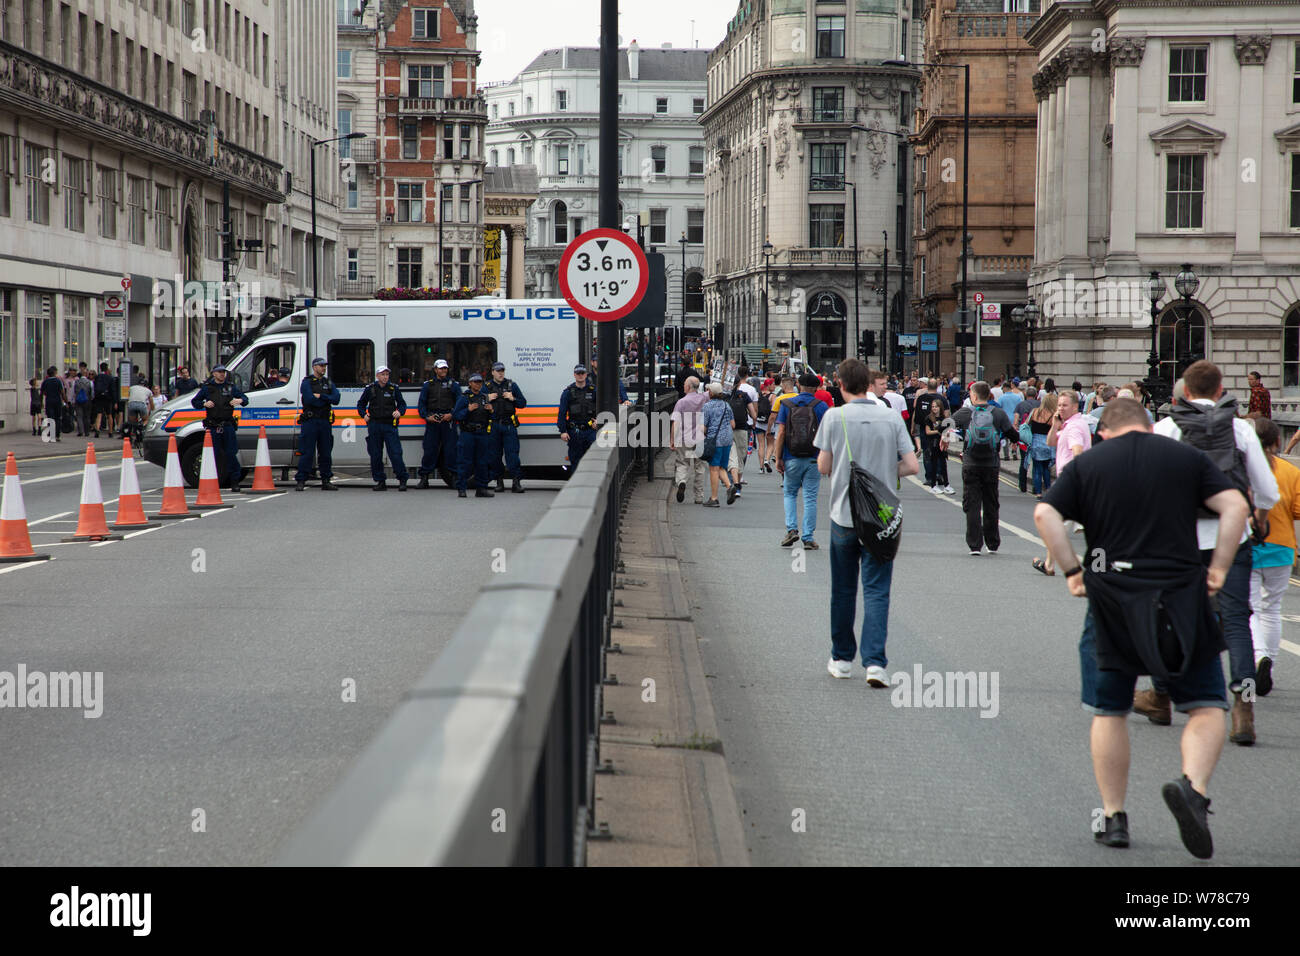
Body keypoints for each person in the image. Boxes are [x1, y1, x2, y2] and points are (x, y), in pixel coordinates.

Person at [1035, 397, 1247, 857]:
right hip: (1180, 594)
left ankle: (1114, 818)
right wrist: (1220, 567)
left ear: (1105, 431)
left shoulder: (1090, 464)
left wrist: (1073, 571)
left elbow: (1045, 514)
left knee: (1109, 711)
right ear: (1149, 427)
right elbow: (1235, 505)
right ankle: (1193, 788)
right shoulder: (1185, 457)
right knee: (1207, 706)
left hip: (1112, 596)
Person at [1141, 360, 1279, 744]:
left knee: (1165, 616)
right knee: (1236, 621)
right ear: (1221, 391)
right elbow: (1267, 490)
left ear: (1185, 391)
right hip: (1230, 538)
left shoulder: (1167, 428)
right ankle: (1244, 706)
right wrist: (1259, 520)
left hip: (1177, 541)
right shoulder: (1240, 429)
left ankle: (1161, 695)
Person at [815, 358, 919, 685]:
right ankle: (875, 664)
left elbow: (823, 466)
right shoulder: (890, 417)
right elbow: (912, 465)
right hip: (880, 519)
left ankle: (842, 659)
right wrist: (886, 474)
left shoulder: (834, 416)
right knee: (877, 591)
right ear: (870, 384)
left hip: (844, 516)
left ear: (841, 385)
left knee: (844, 590)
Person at [1249, 417, 1297, 699]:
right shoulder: (1290, 471)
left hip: (1251, 545)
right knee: (1272, 608)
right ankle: (1270, 664)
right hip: (1282, 546)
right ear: (1277, 442)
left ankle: (1258, 657)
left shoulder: (1243, 469)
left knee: (1250, 606)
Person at [951, 382, 1019, 554]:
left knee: (972, 503)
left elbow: (946, 424)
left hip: (971, 463)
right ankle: (992, 543)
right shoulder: (998, 413)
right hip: (991, 464)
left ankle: (975, 544)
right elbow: (1013, 434)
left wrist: (948, 436)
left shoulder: (966, 412)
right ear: (989, 395)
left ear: (973, 396)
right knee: (991, 503)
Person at [773, 372, 829, 546]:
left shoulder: (787, 403)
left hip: (791, 456)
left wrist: (778, 457)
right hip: (814, 457)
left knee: (790, 493)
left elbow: (781, 432)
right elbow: (827, 435)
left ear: (799, 385)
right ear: (816, 388)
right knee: (810, 497)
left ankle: (791, 530)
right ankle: (808, 537)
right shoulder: (821, 406)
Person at [191, 364, 247, 490]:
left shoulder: (230, 387)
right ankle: (212, 480)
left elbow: (245, 398)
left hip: (227, 425)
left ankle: (234, 481)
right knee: (213, 455)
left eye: (224, 372)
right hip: (213, 426)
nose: (222, 374)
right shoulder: (207, 388)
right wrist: (204, 403)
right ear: (214, 373)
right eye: (220, 372)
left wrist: (240, 401)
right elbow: (195, 402)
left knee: (231, 454)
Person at [356, 365, 409, 491]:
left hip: (389, 425)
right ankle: (380, 481)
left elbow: (402, 404)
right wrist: (363, 414)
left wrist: (400, 412)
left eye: (387, 374)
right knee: (375, 454)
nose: (385, 377)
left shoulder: (393, 389)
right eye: (383, 374)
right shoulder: (370, 389)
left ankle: (402, 479)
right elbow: (361, 404)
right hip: (374, 425)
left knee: (395, 453)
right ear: (377, 376)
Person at [295, 357, 340, 491]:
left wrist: (321, 396)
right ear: (314, 367)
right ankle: (301, 480)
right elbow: (309, 399)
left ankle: (326, 480)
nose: (323, 368)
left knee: (325, 452)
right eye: (321, 366)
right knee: (307, 452)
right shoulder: (307, 382)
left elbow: (336, 399)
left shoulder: (329, 382)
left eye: (324, 366)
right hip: (310, 421)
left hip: (325, 421)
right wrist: (326, 399)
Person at [416, 359, 461, 489]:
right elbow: (421, 404)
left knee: (451, 451)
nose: (443, 370)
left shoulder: (454, 385)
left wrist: (452, 415)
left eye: (445, 368)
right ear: (435, 370)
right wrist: (427, 417)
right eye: (440, 368)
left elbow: (460, 402)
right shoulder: (428, 385)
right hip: (432, 422)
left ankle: (454, 478)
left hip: (448, 422)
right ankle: (424, 478)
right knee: (429, 450)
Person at [453, 373, 496, 498]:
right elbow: (456, 415)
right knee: (464, 462)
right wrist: (468, 410)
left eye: (480, 382)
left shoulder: (484, 397)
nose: (478, 384)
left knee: (482, 462)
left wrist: (491, 411)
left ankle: (481, 489)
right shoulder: (464, 398)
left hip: (482, 433)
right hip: (468, 434)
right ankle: (461, 488)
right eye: (476, 382)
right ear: (470, 383)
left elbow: (491, 417)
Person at [486, 361, 527, 493]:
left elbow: (523, 403)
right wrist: (486, 398)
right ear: (492, 372)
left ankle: (516, 482)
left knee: (513, 454)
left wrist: (513, 398)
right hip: (493, 426)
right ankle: (499, 482)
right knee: (494, 455)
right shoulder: (486, 386)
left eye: (502, 370)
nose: (500, 373)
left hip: (509, 425)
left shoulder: (511, 385)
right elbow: (476, 402)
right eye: (498, 371)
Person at [670, 376, 709, 504]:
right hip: (700, 439)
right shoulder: (704, 398)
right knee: (700, 467)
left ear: (688, 387)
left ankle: (681, 481)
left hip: (684, 438)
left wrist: (672, 440)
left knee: (682, 463)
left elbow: (675, 422)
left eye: (684, 385)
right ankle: (699, 496)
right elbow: (716, 389)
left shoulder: (681, 402)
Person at [700, 382, 738, 507]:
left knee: (713, 469)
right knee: (721, 467)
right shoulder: (727, 406)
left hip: (715, 440)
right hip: (728, 439)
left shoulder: (707, 407)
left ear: (711, 393)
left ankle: (714, 498)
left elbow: (703, 428)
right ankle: (729, 486)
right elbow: (733, 425)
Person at [558, 365, 600, 470]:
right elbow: (562, 413)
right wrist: (562, 431)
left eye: (582, 373)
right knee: (576, 461)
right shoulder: (567, 392)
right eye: (578, 373)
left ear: (586, 374)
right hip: (575, 431)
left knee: (593, 460)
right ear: (574, 375)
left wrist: (599, 421)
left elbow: (602, 409)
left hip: (590, 430)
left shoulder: (593, 390)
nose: (580, 376)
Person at [729, 370, 758, 489]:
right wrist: (754, 422)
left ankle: (731, 480)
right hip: (742, 428)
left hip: (727, 429)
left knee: (731, 456)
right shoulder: (744, 396)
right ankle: (738, 483)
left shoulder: (725, 396)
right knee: (741, 456)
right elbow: (754, 414)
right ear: (739, 384)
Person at [1026, 392, 1058, 501]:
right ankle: (1048, 490)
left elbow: (1026, 424)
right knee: (1046, 468)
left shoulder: (1035, 412)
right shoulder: (1054, 415)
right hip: (1048, 443)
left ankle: (1038, 493)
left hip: (1036, 442)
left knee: (1037, 469)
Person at [921, 396, 953, 494]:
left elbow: (948, 431)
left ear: (940, 407)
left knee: (943, 464)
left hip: (942, 443)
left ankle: (946, 485)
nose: (934, 408)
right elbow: (927, 432)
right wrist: (938, 432)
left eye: (936, 406)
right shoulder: (929, 418)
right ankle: (933, 485)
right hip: (933, 443)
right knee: (934, 464)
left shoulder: (944, 419)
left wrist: (946, 437)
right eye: (933, 406)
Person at [997, 379, 1023, 460]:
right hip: (1015, 419)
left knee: (1004, 438)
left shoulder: (1001, 398)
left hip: (1005, 420)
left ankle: (1006, 455)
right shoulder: (1017, 397)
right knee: (1014, 437)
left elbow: (999, 409)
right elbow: (1020, 408)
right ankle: (1014, 452)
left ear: (1005, 388)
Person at [754, 380, 775, 472]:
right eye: (773, 384)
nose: (774, 386)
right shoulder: (772, 396)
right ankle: (767, 459)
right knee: (770, 444)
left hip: (759, 422)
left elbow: (755, 408)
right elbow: (774, 411)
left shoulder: (758, 395)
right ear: (768, 385)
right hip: (769, 423)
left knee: (761, 445)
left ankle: (761, 467)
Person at [41, 366, 65, 442]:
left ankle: (51, 435)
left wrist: (41, 402)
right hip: (57, 401)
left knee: (50, 418)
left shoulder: (45, 381)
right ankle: (57, 435)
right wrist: (66, 402)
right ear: (55, 372)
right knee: (57, 418)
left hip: (49, 401)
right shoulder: (58, 381)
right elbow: (62, 392)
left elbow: (41, 393)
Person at [93, 362, 116, 437]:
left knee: (99, 414)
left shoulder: (97, 377)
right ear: (107, 368)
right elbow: (112, 390)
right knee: (109, 415)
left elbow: (94, 388)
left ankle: (97, 429)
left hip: (99, 397)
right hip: (107, 398)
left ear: (100, 368)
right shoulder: (110, 378)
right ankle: (110, 431)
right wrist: (114, 400)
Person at [73, 368, 95, 436]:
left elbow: (74, 392)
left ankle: (80, 431)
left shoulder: (76, 381)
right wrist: (91, 399)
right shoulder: (90, 382)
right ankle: (87, 432)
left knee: (79, 416)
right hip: (87, 401)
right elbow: (92, 393)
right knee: (87, 416)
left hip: (78, 400)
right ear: (86, 374)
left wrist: (74, 399)